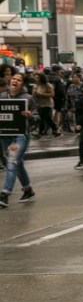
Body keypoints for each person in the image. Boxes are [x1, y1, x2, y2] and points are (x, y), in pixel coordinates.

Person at [0, 73, 38, 206]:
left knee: (11, 161)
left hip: (21, 136)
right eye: (14, 78)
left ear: (22, 84)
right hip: (5, 135)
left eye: (19, 80)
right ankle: (28, 189)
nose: (15, 80)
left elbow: (37, 117)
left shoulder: (28, 98)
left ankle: (5, 193)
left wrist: (30, 115)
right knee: (17, 162)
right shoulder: (2, 97)